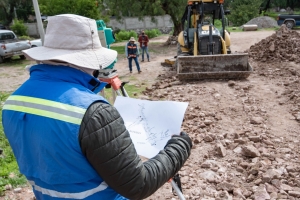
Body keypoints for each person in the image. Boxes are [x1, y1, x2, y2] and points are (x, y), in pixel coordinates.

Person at [2, 14, 192, 200]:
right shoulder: (93, 113)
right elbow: (138, 185)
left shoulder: (12, 102)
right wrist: (179, 147)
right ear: (88, 59)